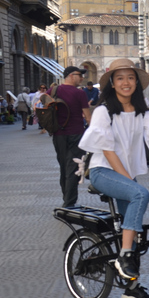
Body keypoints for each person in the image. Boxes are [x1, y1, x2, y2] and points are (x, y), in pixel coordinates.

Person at [79, 58, 149, 298]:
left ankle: (131, 288)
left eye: (131, 77)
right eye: (120, 78)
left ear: (137, 82)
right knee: (140, 195)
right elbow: (107, 149)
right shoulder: (103, 111)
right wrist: (127, 178)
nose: (126, 82)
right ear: (112, 83)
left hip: (125, 175)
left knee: (133, 231)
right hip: (103, 171)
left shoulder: (141, 111)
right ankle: (124, 256)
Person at [51, 67, 92, 208]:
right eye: (79, 75)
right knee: (72, 167)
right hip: (76, 134)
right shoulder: (79, 93)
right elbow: (88, 117)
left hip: (58, 135)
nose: (81, 78)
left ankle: (66, 198)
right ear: (70, 76)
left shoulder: (53, 91)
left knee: (64, 167)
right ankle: (69, 203)